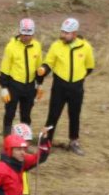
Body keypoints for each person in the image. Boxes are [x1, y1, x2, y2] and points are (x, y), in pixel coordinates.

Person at [38, 17, 95, 156]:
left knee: (74, 115)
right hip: (59, 86)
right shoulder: (56, 45)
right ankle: (46, 143)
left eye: (66, 33)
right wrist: (43, 70)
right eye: (62, 31)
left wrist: (78, 78)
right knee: (53, 115)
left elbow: (89, 67)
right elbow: (49, 63)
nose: (63, 35)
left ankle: (73, 142)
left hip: (77, 87)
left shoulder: (85, 47)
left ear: (74, 34)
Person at [0, 18, 43, 135]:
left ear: (33, 33)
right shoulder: (11, 47)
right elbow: (5, 68)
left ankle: (25, 138)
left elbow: (39, 67)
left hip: (30, 85)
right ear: (20, 32)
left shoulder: (37, 46)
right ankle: (7, 137)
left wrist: (39, 84)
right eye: (24, 34)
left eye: (29, 35)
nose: (26, 37)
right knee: (10, 113)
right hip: (14, 85)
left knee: (26, 114)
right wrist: (3, 88)